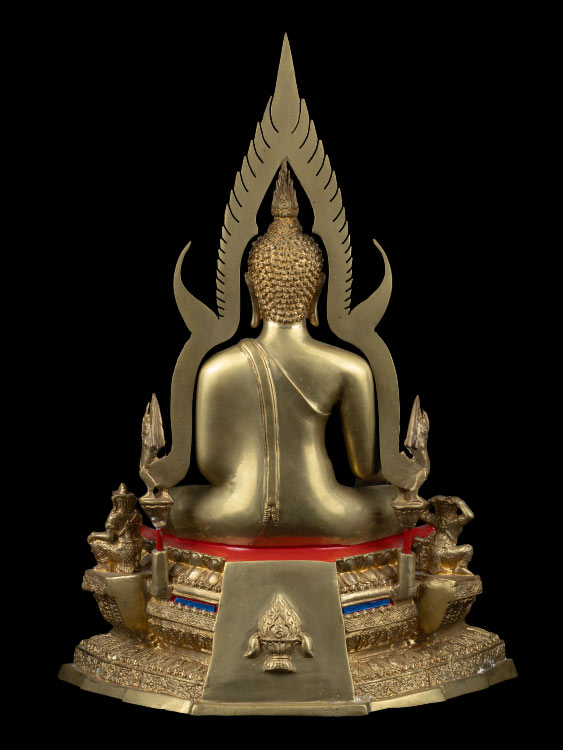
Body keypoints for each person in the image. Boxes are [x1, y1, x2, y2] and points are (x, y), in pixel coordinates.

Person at [165, 163, 405, 545]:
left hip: (235, 518)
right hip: (327, 515)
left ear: (250, 287)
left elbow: (210, 468)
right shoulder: (350, 367)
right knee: (397, 501)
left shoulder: (216, 368)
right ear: (319, 288)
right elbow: (365, 469)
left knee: (172, 502)